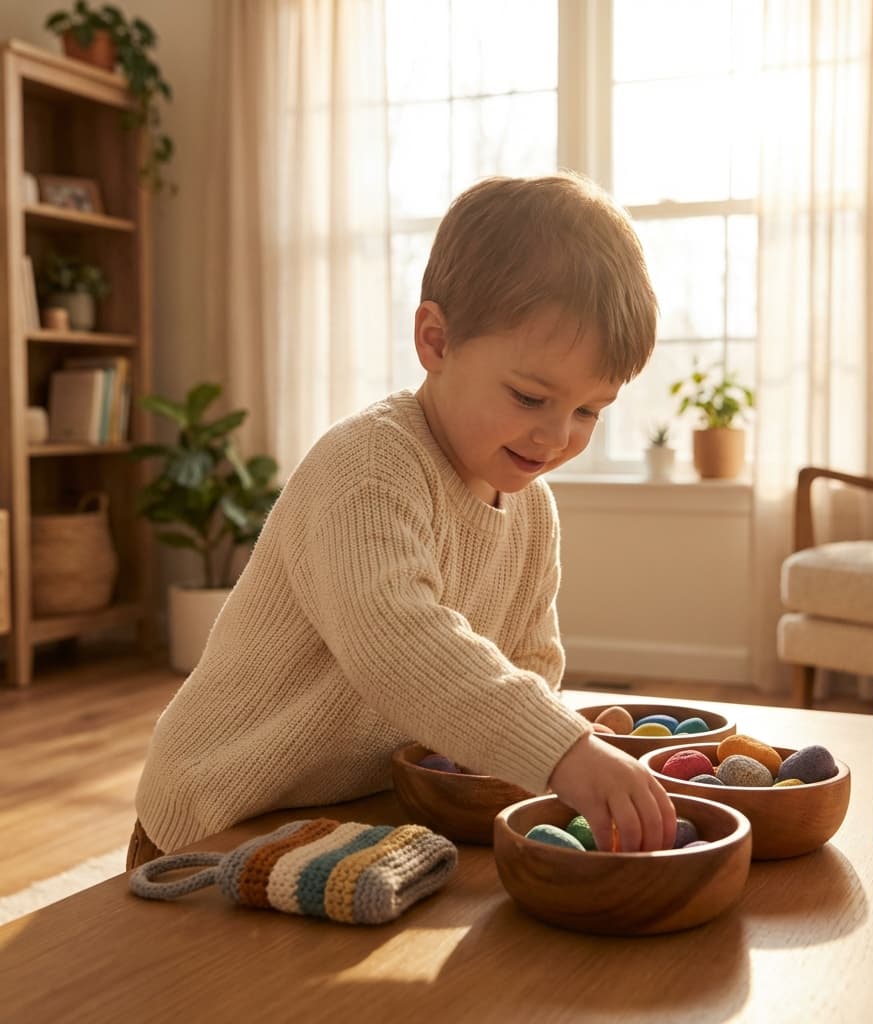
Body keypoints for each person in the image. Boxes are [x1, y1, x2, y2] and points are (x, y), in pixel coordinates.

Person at [128, 172, 675, 869]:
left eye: (589, 411)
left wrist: (541, 765)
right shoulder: (368, 465)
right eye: (529, 397)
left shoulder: (533, 510)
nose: (557, 437)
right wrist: (563, 750)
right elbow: (398, 641)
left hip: (354, 817)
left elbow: (531, 662)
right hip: (218, 821)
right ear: (436, 341)